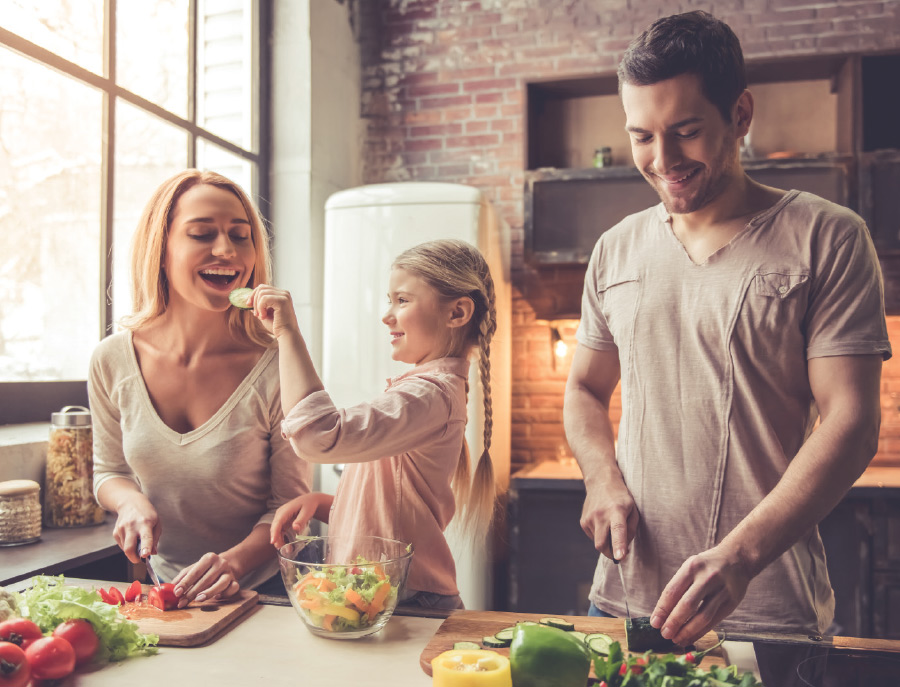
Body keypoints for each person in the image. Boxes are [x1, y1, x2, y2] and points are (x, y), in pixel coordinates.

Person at [563, 10, 890, 683]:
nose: (664, 160)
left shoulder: (826, 236)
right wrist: (600, 476)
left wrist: (739, 556)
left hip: (769, 609)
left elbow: (853, 423)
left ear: (740, 114)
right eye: (642, 137)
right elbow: (586, 389)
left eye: (685, 131)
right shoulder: (615, 248)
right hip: (627, 597)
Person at [90, 169, 312, 606]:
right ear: (161, 249)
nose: (227, 250)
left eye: (241, 235)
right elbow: (108, 472)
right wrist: (130, 502)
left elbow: (290, 509)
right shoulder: (111, 360)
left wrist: (232, 564)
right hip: (168, 590)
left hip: (271, 594)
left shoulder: (276, 365)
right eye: (202, 233)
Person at [258, 238, 498, 610]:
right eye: (390, 300)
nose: (388, 315)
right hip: (388, 597)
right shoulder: (425, 392)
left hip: (409, 602)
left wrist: (287, 333)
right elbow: (393, 504)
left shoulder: (429, 394)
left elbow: (317, 437)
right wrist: (326, 504)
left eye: (402, 301)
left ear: (457, 313)